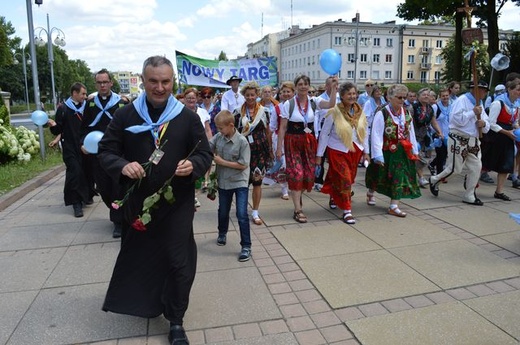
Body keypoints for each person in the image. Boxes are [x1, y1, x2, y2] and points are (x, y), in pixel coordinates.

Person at [98, 55, 212, 345]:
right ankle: (147, 303)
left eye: (166, 81)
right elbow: (106, 151)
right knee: (142, 257)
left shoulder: (186, 117)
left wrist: (194, 166)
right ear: (143, 80)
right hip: (138, 204)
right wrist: (122, 165)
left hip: (177, 204)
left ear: (173, 81)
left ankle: (176, 320)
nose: (160, 88)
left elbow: (204, 153)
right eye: (153, 81)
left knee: (179, 261)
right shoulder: (126, 116)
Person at [276, 74, 338, 223]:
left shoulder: (314, 101)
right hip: (293, 142)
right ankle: (298, 210)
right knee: (296, 174)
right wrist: (279, 148)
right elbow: (283, 127)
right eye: (300, 84)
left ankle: (297, 194)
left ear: (309, 86)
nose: (303, 86)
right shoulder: (288, 104)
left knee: (309, 176)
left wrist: (334, 88)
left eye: (306, 84)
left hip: (309, 142)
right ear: (296, 86)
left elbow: (331, 104)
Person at [82, 68, 128, 238]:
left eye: (105, 82)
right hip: (97, 152)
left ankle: (118, 221)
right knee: (103, 187)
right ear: (96, 84)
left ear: (111, 83)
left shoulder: (121, 103)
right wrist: (83, 143)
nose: (102, 85)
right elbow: (85, 127)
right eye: (99, 82)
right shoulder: (91, 103)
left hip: (117, 151)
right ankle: (114, 209)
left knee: (117, 186)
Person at [429, 80, 491, 206]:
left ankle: (469, 195)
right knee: (455, 169)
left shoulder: (480, 104)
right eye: (482, 90)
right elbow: (456, 120)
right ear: (474, 89)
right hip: (459, 138)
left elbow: (486, 123)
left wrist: (483, 124)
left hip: (473, 141)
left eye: (485, 91)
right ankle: (434, 179)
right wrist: (472, 113)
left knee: (476, 167)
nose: (484, 93)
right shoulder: (461, 100)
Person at [365, 84, 421, 217]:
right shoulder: (382, 112)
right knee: (378, 174)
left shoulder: (406, 112)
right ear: (389, 98)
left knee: (399, 176)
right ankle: (371, 192)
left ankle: (394, 205)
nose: (402, 100)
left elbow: (410, 131)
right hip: (386, 150)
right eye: (399, 97)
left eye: (404, 97)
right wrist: (377, 155)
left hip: (402, 151)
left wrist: (414, 150)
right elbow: (376, 135)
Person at [316, 82, 369, 224]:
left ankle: (334, 195)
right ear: (342, 96)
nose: (352, 96)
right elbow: (325, 134)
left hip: (355, 149)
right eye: (349, 94)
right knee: (345, 179)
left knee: (347, 178)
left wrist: (366, 152)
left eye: (354, 93)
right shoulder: (334, 111)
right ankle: (347, 211)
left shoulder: (359, 111)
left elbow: (364, 133)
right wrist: (319, 155)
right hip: (337, 149)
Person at [209, 110, 252, 261]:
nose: (218, 131)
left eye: (220, 128)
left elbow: (243, 165)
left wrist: (222, 162)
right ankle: (222, 232)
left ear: (231, 125)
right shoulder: (219, 137)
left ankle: (246, 246)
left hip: (240, 181)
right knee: (223, 210)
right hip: (224, 181)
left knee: (241, 214)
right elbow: (209, 147)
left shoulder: (242, 141)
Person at [48, 82, 92, 218]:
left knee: (86, 172)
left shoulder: (88, 107)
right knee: (74, 173)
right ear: (74, 93)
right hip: (70, 147)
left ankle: (86, 195)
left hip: (85, 146)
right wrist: (53, 125)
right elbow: (59, 129)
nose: (85, 96)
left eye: (85, 94)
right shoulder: (63, 108)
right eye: (82, 94)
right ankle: (76, 203)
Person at [234, 81, 272, 225]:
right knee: (243, 182)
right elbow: (234, 132)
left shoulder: (265, 111)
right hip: (243, 151)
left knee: (257, 182)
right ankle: (242, 209)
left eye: (253, 95)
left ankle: (255, 211)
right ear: (244, 95)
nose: (250, 97)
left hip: (260, 150)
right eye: (247, 95)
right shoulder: (238, 112)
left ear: (257, 95)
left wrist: (270, 150)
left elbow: (268, 132)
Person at [481, 79, 520, 201]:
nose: (519, 93)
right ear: (509, 89)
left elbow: (515, 121)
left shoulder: (517, 105)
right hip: (495, 137)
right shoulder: (498, 103)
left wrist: (516, 127)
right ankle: (471, 185)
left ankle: (499, 191)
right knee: (486, 162)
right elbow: (491, 123)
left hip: (508, 137)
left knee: (506, 165)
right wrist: (506, 132)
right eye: (518, 90)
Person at [184, 87, 213, 201]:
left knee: (198, 168)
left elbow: (207, 129)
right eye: (188, 98)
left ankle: (195, 193)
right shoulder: (180, 111)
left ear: (197, 99)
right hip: (186, 145)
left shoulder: (202, 112)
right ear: (185, 99)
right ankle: (192, 195)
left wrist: (210, 143)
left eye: (193, 98)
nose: (191, 100)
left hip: (200, 144)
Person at [411, 88, 443, 188]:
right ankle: (421, 178)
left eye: (427, 95)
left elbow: (433, 121)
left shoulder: (430, 108)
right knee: (417, 158)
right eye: (423, 94)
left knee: (419, 158)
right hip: (413, 136)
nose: (426, 96)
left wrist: (439, 132)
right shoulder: (413, 108)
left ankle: (416, 178)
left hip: (424, 137)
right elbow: (408, 122)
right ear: (418, 96)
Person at [313, 76, 340, 195]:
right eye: (333, 84)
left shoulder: (340, 98)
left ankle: (335, 182)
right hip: (323, 130)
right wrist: (316, 132)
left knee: (334, 158)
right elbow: (316, 118)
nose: (335, 86)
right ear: (326, 86)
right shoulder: (319, 99)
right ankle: (318, 181)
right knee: (321, 157)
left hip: (336, 132)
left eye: (337, 84)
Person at [269, 81, 294, 200]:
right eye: (283, 92)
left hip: (294, 138)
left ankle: (293, 185)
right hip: (280, 138)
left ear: (293, 93)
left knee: (293, 164)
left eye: (288, 91)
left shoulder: (296, 106)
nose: (286, 94)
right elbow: (272, 125)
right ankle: (284, 188)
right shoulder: (277, 108)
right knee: (282, 164)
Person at [429, 88, 452, 176]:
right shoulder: (435, 107)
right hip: (438, 134)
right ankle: (440, 174)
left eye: (447, 95)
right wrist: (435, 132)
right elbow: (432, 120)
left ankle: (432, 164)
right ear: (440, 97)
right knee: (441, 154)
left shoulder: (451, 106)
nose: (445, 97)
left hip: (449, 134)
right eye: (443, 96)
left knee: (445, 154)